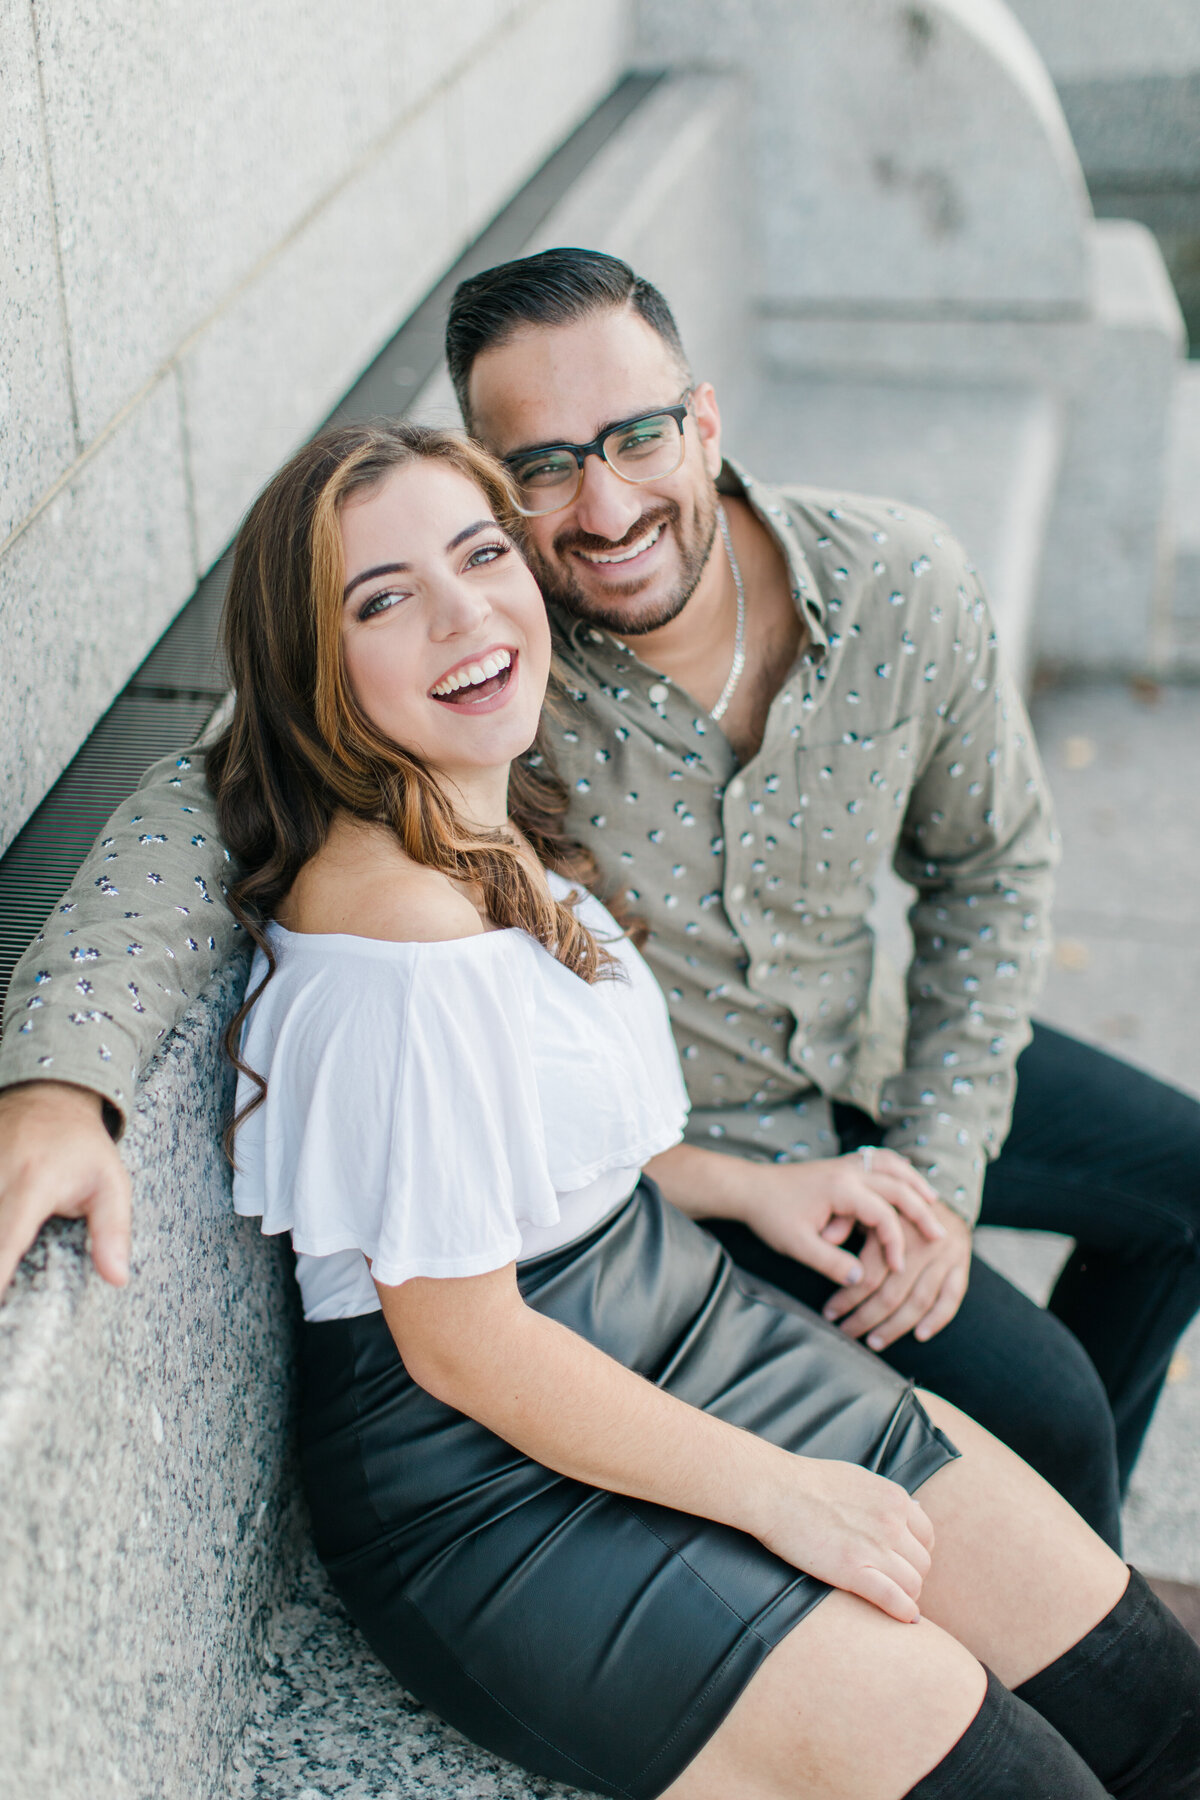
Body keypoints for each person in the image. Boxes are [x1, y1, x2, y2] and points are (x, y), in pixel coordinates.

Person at [2, 252, 1200, 1554]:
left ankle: (1086, 1589)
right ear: (490, 486)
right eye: (546, 466)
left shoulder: (898, 586)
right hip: (686, 1146)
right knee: (1048, 1408)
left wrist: (937, 1165)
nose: (608, 503)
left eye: (637, 437)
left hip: (871, 1044)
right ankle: (1074, 1652)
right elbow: (197, 809)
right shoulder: (490, 658)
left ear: (703, 422)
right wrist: (61, 1081)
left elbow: (991, 868)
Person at [199, 418, 1200, 1796]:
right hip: (492, 1484)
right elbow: (466, 1345)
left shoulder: (476, 818)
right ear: (317, 671)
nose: (460, 614)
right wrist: (781, 1494)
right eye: (383, 600)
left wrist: (745, 1188)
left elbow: (543, 1142)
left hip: (678, 1316)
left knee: (1152, 1700)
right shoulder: (399, 948)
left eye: (480, 554)